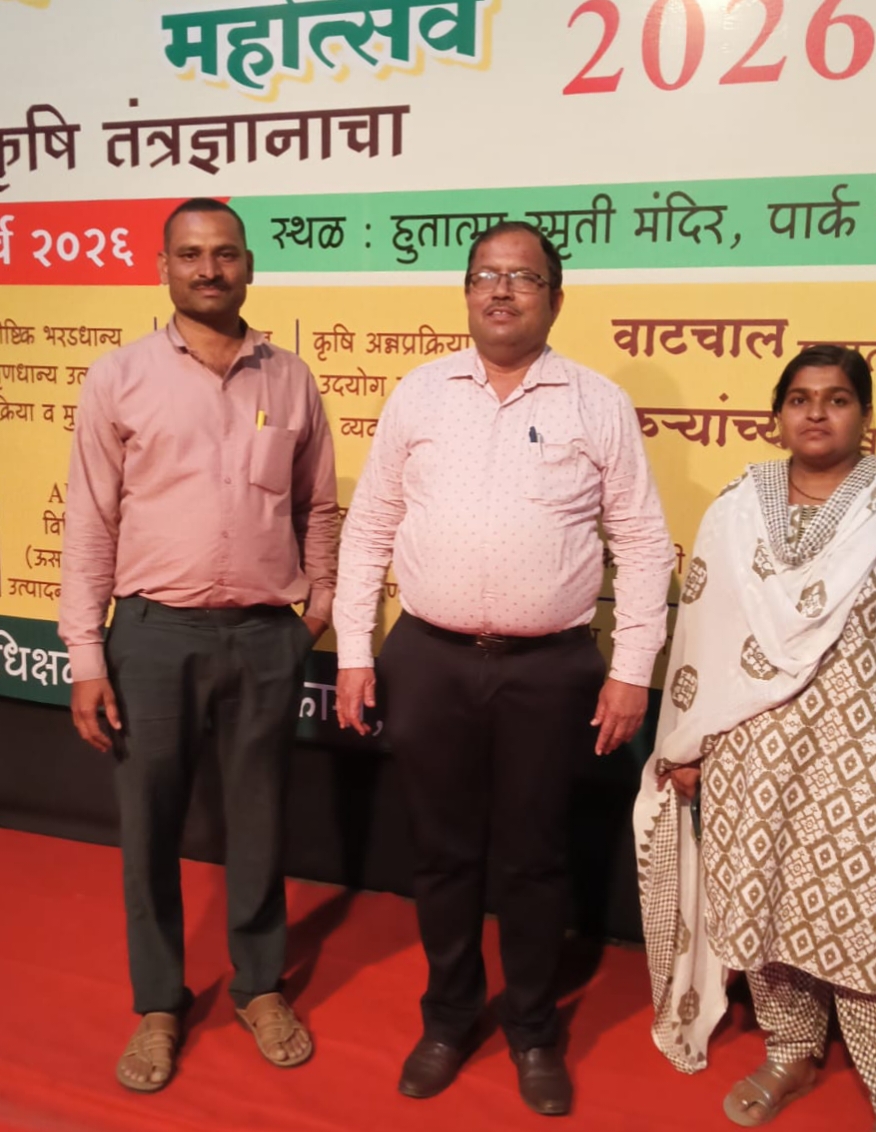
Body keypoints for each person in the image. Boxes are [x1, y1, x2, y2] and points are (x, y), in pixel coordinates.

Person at [333, 220, 674, 1116]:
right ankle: (448, 1019)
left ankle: (531, 1029)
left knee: (533, 858)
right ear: (466, 292)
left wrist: (631, 669)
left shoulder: (596, 401)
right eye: (486, 274)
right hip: (428, 660)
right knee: (441, 855)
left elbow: (643, 542)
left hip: (549, 670)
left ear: (555, 299)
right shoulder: (419, 393)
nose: (501, 290)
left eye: (523, 277)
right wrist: (356, 652)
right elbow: (368, 530)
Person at [59, 198, 338, 1092]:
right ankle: (158, 1003)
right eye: (190, 254)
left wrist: (316, 610)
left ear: (249, 265)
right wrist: (87, 657)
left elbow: (317, 506)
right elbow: (90, 522)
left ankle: (259, 985)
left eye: (224, 253)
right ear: (164, 268)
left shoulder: (290, 379)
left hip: (265, 638)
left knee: (261, 820)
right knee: (149, 827)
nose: (208, 269)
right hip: (152, 637)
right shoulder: (119, 377)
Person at [635, 345, 876, 1129]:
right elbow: (700, 637)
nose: (816, 413)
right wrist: (687, 743)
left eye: (837, 398)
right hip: (750, 750)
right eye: (800, 398)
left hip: (859, 756)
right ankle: (792, 1050)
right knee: (761, 897)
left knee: (859, 911)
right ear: (777, 415)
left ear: (864, 416)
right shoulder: (735, 510)